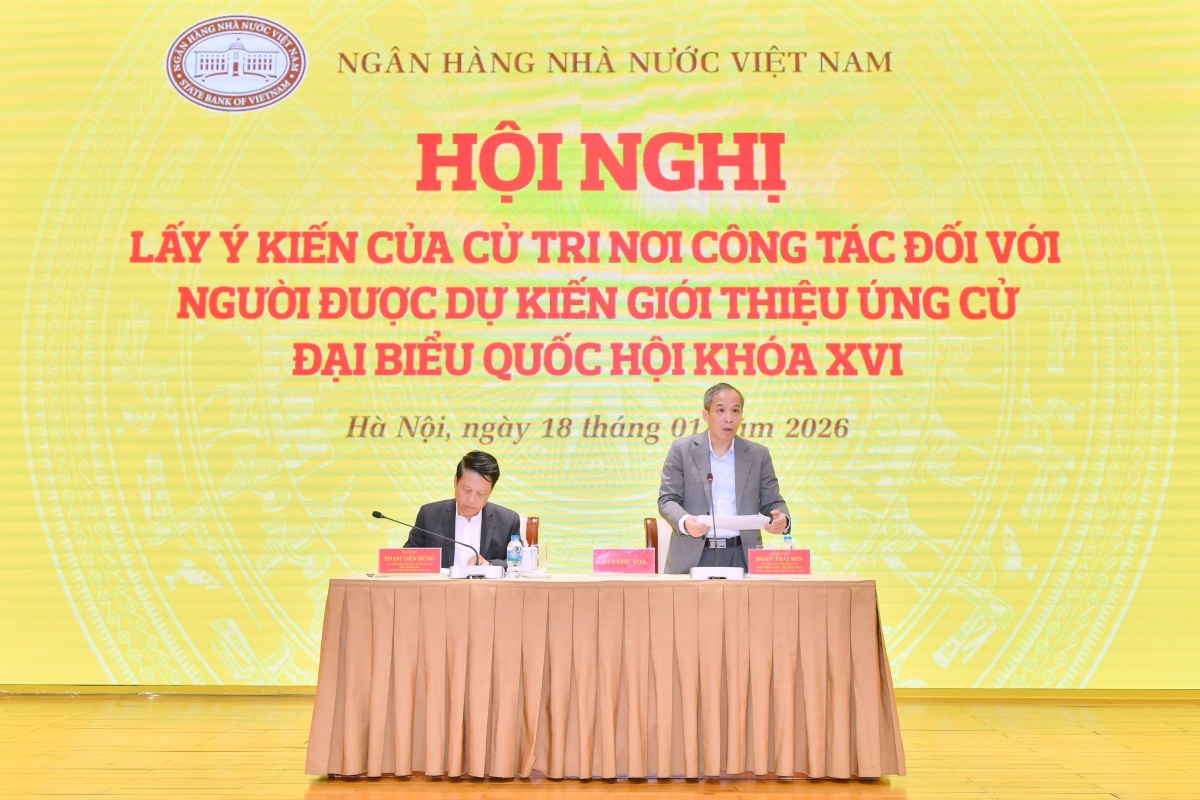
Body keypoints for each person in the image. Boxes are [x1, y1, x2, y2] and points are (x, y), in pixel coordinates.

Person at [658, 383, 790, 573]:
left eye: (735, 411)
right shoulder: (682, 450)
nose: (729, 418)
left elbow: (773, 502)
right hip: (693, 555)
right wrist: (685, 521)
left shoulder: (758, 454)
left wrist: (782, 518)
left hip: (742, 555)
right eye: (721, 410)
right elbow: (667, 499)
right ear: (706, 415)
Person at [404, 450, 520, 568]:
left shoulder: (508, 521)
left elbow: (519, 561)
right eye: (466, 490)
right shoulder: (429, 515)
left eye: (480, 493)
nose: (471, 499)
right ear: (455, 481)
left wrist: (490, 565)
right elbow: (408, 558)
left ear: (490, 491)